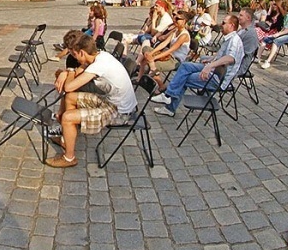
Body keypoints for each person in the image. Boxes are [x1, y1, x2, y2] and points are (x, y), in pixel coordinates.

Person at [45, 32, 137, 168]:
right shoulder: (100, 56)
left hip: (121, 112)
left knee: (68, 117)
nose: (73, 58)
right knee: (70, 98)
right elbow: (76, 73)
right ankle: (66, 137)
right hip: (112, 101)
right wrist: (67, 72)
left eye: (73, 54)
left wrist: (68, 72)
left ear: (81, 53)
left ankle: (69, 158)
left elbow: (69, 86)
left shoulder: (98, 65)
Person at [152, 14, 244, 117]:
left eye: (223, 23)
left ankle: (169, 105)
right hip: (214, 69)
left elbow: (230, 58)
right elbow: (222, 56)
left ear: (231, 25)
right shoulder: (229, 38)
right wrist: (210, 59)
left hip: (218, 78)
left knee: (184, 78)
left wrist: (210, 66)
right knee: (185, 66)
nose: (220, 25)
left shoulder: (234, 40)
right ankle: (168, 96)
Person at [137, 10, 192, 89]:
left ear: (184, 21)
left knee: (151, 64)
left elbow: (171, 50)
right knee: (146, 49)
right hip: (169, 55)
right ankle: (140, 78)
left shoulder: (184, 35)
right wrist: (152, 53)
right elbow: (164, 43)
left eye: (177, 19)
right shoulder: (175, 30)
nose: (174, 20)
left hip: (176, 60)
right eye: (174, 17)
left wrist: (154, 57)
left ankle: (161, 86)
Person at [258, 0, 288, 69]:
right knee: (265, 39)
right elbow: (284, 27)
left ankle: (267, 61)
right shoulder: (287, 15)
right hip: (284, 33)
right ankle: (258, 57)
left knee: (276, 41)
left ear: (284, 9)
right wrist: (277, 34)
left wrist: (279, 34)